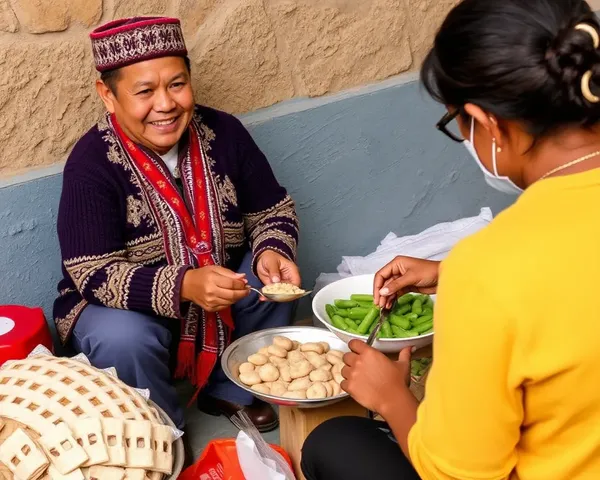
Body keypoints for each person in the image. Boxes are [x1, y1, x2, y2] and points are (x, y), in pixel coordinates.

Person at [302, 0, 600, 478]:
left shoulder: (491, 270)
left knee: (335, 440)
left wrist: (393, 398)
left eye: (454, 124)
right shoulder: (492, 269)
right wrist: (450, 274)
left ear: (487, 123)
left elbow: (463, 473)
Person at [53, 17, 300, 435]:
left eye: (177, 84)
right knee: (123, 339)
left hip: (220, 297)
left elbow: (272, 210)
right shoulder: (91, 163)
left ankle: (228, 389)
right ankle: (162, 430)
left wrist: (272, 250)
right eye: (145, 91)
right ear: (108, 96)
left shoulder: (223, 132)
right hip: (125, 315)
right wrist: (186, 284)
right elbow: (92, 272)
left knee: (275, 285)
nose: (165, 104)